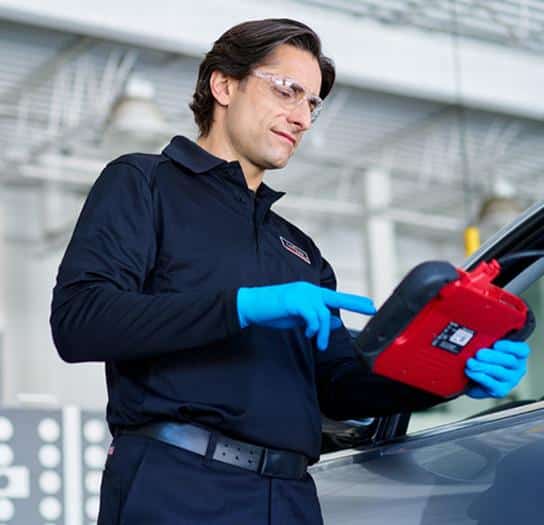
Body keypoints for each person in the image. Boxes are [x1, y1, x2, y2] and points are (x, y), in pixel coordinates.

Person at [50, 18, 531, 525]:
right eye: (288, 91)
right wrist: (244, 306)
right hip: (178, 487)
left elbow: (342, 387)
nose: (301, 116)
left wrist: (450, 373)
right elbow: (80, 321)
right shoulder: (144, 182)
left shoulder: (300, 250)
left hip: (292, 498)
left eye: (312, 104)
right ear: (224, 85)